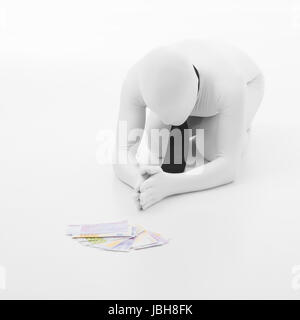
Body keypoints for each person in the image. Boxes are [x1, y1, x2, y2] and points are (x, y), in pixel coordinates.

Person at [113, 39, 265, 210]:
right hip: (192, 85)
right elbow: (122, 151)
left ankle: (237, 133)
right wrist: (140, 181)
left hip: (248, 84)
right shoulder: (137, 78)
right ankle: (207, 128)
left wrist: (171, 185)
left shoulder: (228, 84)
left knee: (210, 148)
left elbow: (229, 168)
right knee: (157, 141)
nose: (170, 124)